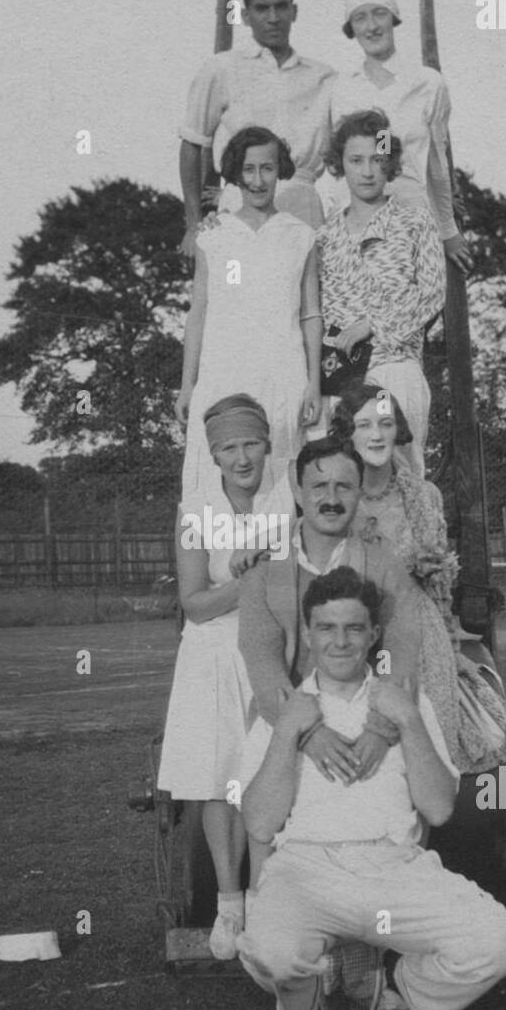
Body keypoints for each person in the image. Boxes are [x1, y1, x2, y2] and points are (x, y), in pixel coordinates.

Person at [237, 567, 506, 1010]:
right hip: (306, 869)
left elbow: (437, 809)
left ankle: (423, 997)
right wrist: (289, 733)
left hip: (394, 866)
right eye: (327, 628)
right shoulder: (283, 709)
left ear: (373, 635)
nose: (341, 641)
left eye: (354, 628)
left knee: (500, 942)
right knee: (270, 951)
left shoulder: (404, 704)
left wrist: (409, 720)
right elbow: (261, 824)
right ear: (308, 635)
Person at [332, 382, 506, 771]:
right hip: (354, 632)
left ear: (398, 430)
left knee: (428, 748)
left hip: (421, 632)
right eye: (365, 424)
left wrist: (450, 643)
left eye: (386, 423)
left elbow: (439, 582)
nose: (376, 435)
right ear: (347, 434)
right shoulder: (335, 498)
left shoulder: (425, 496)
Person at [158, 395, 292, 960]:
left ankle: (266, 902)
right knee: (218, 782)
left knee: (266, 774)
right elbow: (194, 603)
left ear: (267, 446)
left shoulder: (289, 498)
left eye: (251, 444)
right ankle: (229, 904)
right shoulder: (195, 511)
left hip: (268, 646)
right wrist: (256, 579)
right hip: (211, 653)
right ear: (213, 456)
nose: (242, 457)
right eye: (229, 448)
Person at [236, 436, 420, 826]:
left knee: (405, 792)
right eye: (319, 486)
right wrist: (308, 734)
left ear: (358, 494)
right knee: (265, 815)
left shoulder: (385, 567)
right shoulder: (265, 573)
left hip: (367, 716)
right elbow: (264, 665)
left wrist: (378, 730)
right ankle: (259, 884)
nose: (331, 499)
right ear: (299, 494)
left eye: (344, 487)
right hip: (290, 717)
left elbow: (399, 654)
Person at [176, 126, 322, 503]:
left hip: (283, 377)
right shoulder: (213, 234)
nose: (258, 180)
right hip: (223, 375)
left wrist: (314, 383)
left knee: (281, 484)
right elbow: (199, 313)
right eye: (249, 169)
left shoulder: (301, 235)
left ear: (280, 170)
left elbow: (310, 314)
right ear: (236, 174)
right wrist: (187, 385)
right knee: (213, 491)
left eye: (268, 168)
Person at [317, 109, 445, 475]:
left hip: (395, 368)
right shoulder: (325, 235)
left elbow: (432, 293)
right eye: (356, 160)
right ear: (340, 164)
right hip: (341, 378)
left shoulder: (414, 220)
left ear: (389, 164)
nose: (367, 171)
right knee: (344, 480)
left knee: (403, 475)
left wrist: (372, 324)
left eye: (377, 159)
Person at [179, 0, 334, 255]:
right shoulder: (222, 68)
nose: (273, 18)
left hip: (303, 205)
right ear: (246, 16)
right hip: (240, 202)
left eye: (281, 7)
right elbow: (192, 143)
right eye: (262, 9)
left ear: (294, 11)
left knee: (305, 296)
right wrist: (192, 224)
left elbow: (366, 134)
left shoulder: (324, 77)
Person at [326, 0, 473, 273]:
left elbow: (436, 161)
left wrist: (447, 229)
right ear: (351, 28)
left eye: (379, 13)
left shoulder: (428, 83)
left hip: (411, 215)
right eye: (360, 17)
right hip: (355, 221)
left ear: (393, 18)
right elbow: (337, 166)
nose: (371, 27)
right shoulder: (342, 88)